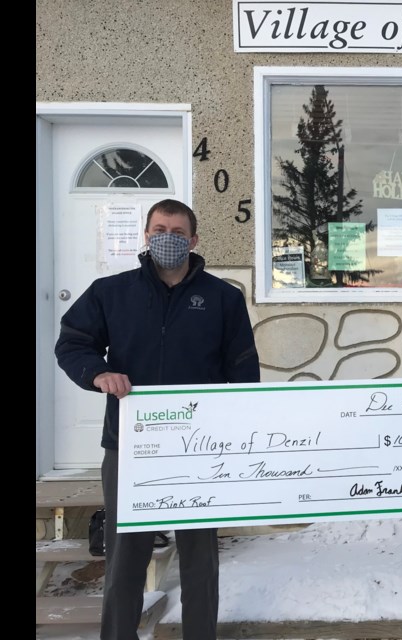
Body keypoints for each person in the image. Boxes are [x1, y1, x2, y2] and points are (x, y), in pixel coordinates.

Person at [55, 199, 261, 640]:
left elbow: (243, 369)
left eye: (177, 231)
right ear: (146, 236)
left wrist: (237, 433)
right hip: (130, 446)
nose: (167, 237)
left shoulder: (223, 298)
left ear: (194, 239)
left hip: (199, 450)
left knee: (200, 555)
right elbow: (73, 343)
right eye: (159, 229)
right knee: (126, 554)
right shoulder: (111, 293)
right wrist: (98, 373)